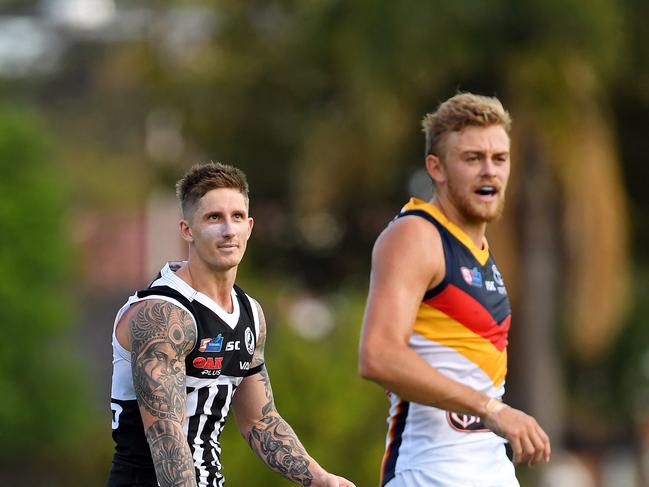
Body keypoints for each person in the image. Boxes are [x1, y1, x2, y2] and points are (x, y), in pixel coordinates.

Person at [108, 162, 355, 487]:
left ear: (249, 226)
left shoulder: (250, 313)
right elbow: (165, 435)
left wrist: (320, 479)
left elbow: (260, 422)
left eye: (237, 217)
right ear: (187, 229)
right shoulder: (163, 315)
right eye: (214, 218)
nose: (229, 230)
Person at [358, 93, 551, 487]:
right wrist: (491, 410)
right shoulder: (415, 235)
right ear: (437, 168)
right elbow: (377, 356)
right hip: (430, 472)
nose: (490, 171)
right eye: (472, 158)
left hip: (491, 469)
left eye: (499, 158)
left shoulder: (479, 252)